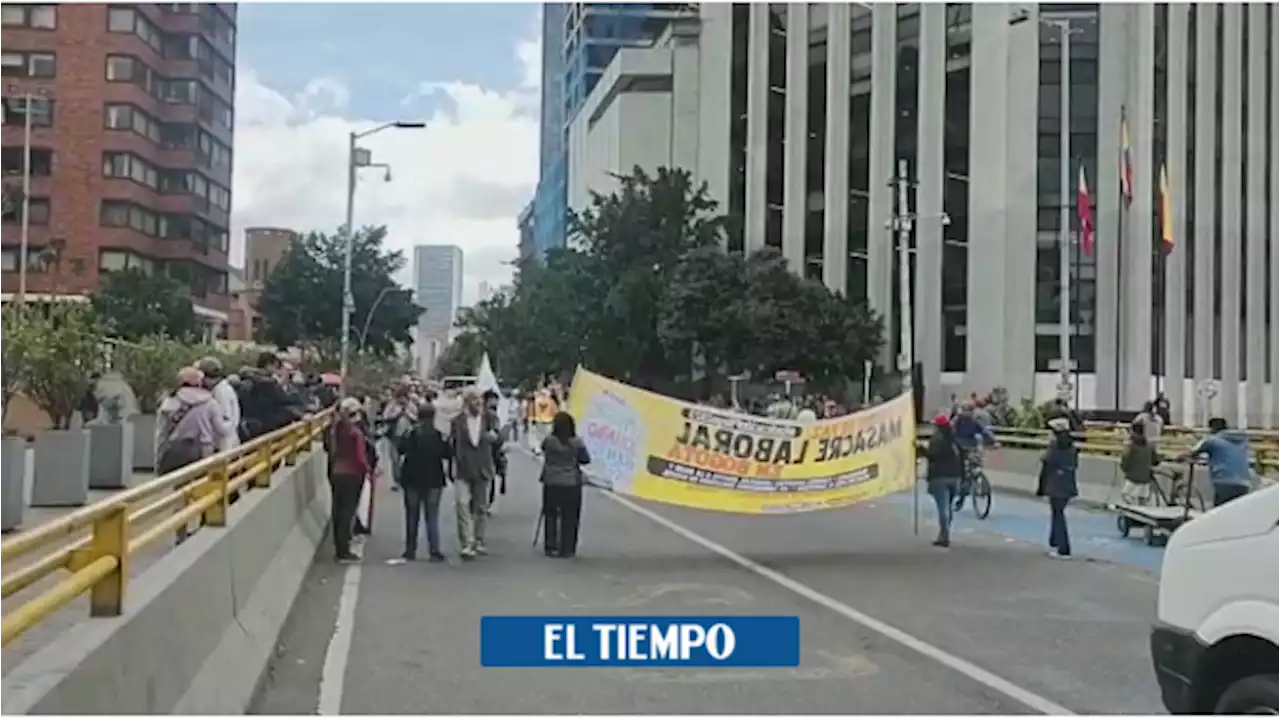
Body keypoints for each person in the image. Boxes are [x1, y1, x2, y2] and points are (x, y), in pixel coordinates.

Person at [391, 402, 451, 564]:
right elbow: (447, 454)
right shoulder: (438, 435)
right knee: (432, 516)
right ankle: (434, 550)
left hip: (412, 478)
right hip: (434, 479)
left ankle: (410, 550)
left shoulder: (411, 433)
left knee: (412, 515)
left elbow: (401, 449)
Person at [449, 390, 502, 560]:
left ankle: (478, 540)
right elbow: (453, 445)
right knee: (461, 504)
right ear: (466, 403)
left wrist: (495, 436)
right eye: (474, 400)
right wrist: (451, 466)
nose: (478, 403)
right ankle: (466, 543)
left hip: (483, 468)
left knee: (481, 508)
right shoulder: (457, 421)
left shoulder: (490, 418)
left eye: (479, 400)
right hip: (463, 469)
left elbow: (499, 437)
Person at [155, 366, 229, 474]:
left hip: (177, 450)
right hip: (203, 450)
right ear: (199, 382)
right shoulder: (210, 402)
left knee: (180, 483)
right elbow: (221, 430)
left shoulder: (170, 402)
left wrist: (158, 461)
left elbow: (161, 433)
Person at [540, 411, 591, 558]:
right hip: (571, 482)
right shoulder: (577, 442)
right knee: (570, 517)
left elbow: (544, 451)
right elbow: (585, 459)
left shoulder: (549, 441)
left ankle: (551, 546)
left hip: (551, 481)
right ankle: (567, 548)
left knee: (551, 514)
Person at [325, 397, 370, 564]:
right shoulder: (355, 433)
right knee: (348, 512)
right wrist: (368, 469)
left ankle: (339, 547)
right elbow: (360, 457)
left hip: (336, 472)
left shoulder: (335, 430)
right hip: (352, 474)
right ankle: (344, 550)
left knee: (337, 510)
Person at [1176, 417, 1255, 507]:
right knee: (1237, 511)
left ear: (1212, 428)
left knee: (1219, 513)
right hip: (1244, 482)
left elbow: (1191, 453)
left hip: (1224, 481)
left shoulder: (1212, 440)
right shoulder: (1242, 440)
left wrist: (1178, 457)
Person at [1037, 417, 1079, 559]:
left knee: (1058, 515)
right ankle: (1054, 541)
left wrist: (1041, 488)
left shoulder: (1054, 447)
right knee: (1058, 513)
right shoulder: (1071, 447)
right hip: (1068, 484)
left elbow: (1046, 466)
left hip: (1055, 485)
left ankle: (1063, 547)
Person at [923, 414, 965, 548]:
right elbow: (962, 457)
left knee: (943, 507)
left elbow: (933, 456)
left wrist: (921, 450)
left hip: (940, 476)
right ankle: (944, 532)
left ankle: (944, 534)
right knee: (948, 505)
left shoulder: (936, 439)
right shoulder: (954, 440)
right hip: (955, 476)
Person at [951, 401, 998, 511]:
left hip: (970, 447)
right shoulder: (957, 421)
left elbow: (984, 431)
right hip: (960, 447)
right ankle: (961, 495)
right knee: (963, 473)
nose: (968, 414)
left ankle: (976, 479)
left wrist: (993, 441)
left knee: (975, 462)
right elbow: (950, 431)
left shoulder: (972, 421)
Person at [197, 357, 241, 453]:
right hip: (229, 440)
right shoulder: (223, 388)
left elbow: (224, 422)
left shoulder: (220, 392)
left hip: (224, 445)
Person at [1119, 422, 1161, 505]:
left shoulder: (1130, 446)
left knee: (1125, 496)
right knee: (1143, 501)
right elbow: (1155, 461)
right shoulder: (1149, 446)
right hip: (1145, 478)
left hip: (1132, 478)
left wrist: (1125, 469)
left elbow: (1124, 462)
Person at [482, 389, 508, 512]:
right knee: (488, 475)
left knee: (490, 476)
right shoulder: (490, 415)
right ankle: (485, 501)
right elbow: (496, 434)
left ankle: (487, 501)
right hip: (488, 450)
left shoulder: (492, 414)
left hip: (492, 450)